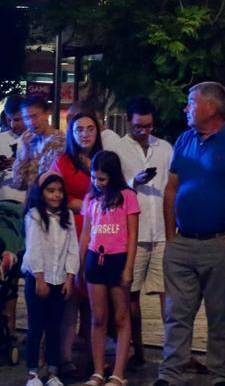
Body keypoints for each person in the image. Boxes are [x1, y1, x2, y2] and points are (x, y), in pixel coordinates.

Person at [156, 81, 225, 386]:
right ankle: (170, 375)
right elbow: (171, 190)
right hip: (183, 242)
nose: (185, 108)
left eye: (191, 102)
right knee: (177, 314)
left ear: (210, 107)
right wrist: (170, 237)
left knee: (221, 315)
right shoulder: (185, 140)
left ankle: (221, 376)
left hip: (220, 243)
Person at [106, 96, 173, 368]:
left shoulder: (165, 148)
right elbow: (112, 187)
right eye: (138, 127)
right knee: (130, 295)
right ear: (129, 122)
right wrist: (134, 182)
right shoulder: (118, 149)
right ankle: (138, 350)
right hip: (132, 233)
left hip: (161, 232)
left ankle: (173, 353)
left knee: (168, 295)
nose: (143, 131)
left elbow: (172, 189)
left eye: (148, 126)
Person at [79, 150, 139, 386]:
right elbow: (86, 233)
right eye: (94, 178)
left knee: (121, 317)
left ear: (113, 176)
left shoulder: (127, 196)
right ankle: (97, 371)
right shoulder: (91, 199)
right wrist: (81, 265)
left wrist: (129, 267)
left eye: (102, 179)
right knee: (98, 317)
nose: (97, 183)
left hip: (118, 259)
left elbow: (133, 234)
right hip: (96, 260)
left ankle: (118, 373)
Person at [53, 110, 102, 370]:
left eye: (90, 128)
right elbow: (55, 194)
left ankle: (95, 357)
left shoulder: (103, 160)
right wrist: (86, 206)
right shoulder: (62, 161)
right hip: (72, 231)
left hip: (99, 233)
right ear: (71, 133)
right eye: (79, 129)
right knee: (70, 294)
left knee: (93, 297)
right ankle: (66, 356)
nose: (85, 134)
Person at [22, 172, 80, 386]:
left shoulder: (68, 216)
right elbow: (34, 248)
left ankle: (53, 371)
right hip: (39, 279)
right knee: (36, 326)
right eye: (51, 191)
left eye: (59, 191)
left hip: (59, 279)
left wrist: (69, 277)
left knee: (55, 327)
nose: (56, 196)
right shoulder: (34, 216)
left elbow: (73, 247)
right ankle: (33, 372)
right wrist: (39, 278)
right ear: (42, 192)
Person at [10, 96, 64, 194]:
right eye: (27, 118)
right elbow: (18, 183)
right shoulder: (28, 141)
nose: (31, 122)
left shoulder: (61, 141)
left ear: (47, 114)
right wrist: (25, 151)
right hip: (32, 203)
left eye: (35, 116)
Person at [0, 95, 26, 203]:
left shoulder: (34, 137)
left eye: (17, 120)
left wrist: (18, 164)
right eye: (9, 120)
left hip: (29, 201)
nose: (13, 124)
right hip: (4, 200)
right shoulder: (1, 138)